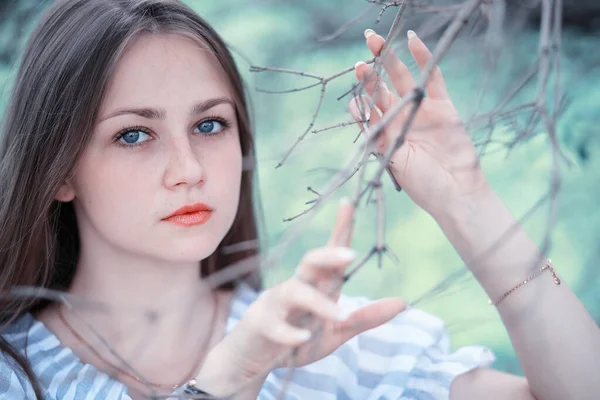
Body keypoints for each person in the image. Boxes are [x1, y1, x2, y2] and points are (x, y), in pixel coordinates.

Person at [0, 0, 597, 399]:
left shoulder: (335, 349)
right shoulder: (13, 374)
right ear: (59, 169)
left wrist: (467, 199)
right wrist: (231, 375)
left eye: (210, 126)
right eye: (135, 135)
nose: (187, 171)